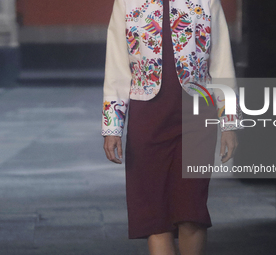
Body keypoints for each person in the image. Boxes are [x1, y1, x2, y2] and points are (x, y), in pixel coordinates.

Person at [102, 0, 243, 254]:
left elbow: (221, 62)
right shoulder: (126, 2)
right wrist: (113, 127)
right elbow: (117, 68)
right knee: (155, 216)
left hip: (198, 115)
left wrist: (229, 122)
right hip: (148, 118)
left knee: (192, 211)